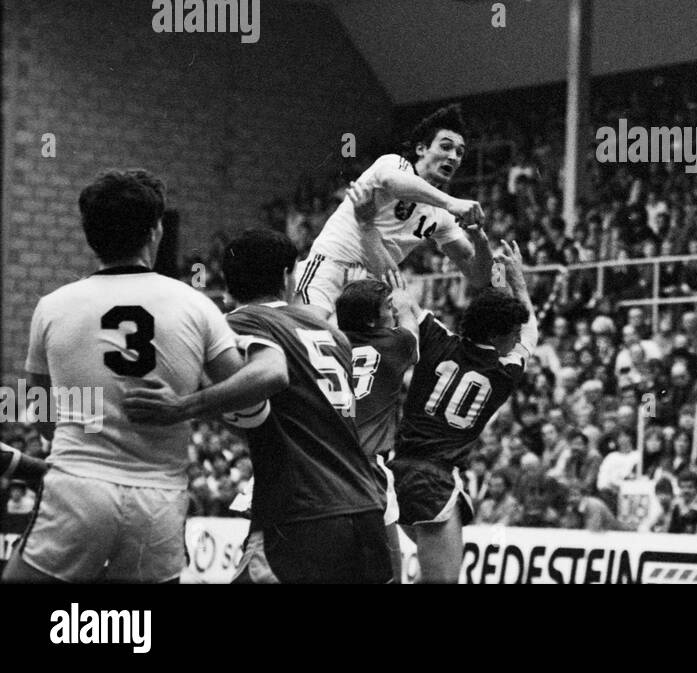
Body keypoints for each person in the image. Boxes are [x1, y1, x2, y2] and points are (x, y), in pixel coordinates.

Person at [5, 171, 285, 585]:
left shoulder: (51, 307)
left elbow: (45, 417)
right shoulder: (195, 305)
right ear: (155, 232)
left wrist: (96, 412)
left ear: (89, 236)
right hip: (158, 500)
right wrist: (188, 406)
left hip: (78, 488)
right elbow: (246, 400)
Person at [212, 229, 390, 583]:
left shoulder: (240, 323)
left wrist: (186, 406)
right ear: (285, 276)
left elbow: (262, 388)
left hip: (302, 513)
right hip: (365, 505)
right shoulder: (332, 333)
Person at [392, 240, 536, 583]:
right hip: (434, 478)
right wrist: (517, 281)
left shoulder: (437, 338)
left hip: (398, 471)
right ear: (497, 335)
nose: (518, 337)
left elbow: (403, 297)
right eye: (512, 333)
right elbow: (531, 329)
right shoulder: (504, 372)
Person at [295, 104, 490, 315]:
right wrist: (452, 202)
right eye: (445, 147)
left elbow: (478, 277)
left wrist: (480, 238)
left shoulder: (441, 216)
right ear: (421, 149)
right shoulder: (394, 164)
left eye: (459, 153)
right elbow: (392, 182)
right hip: (332, 265)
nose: (453, 157)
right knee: (313, 333)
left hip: (370, 289)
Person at [335, 276, 422, 581]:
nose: (392, 312)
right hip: (366, 470)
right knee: (387, 574)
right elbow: (412, 325)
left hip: (320, 466)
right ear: (373, 321)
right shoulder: (394, 344)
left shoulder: (327, 345)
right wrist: (402, 297)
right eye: (387, 308)